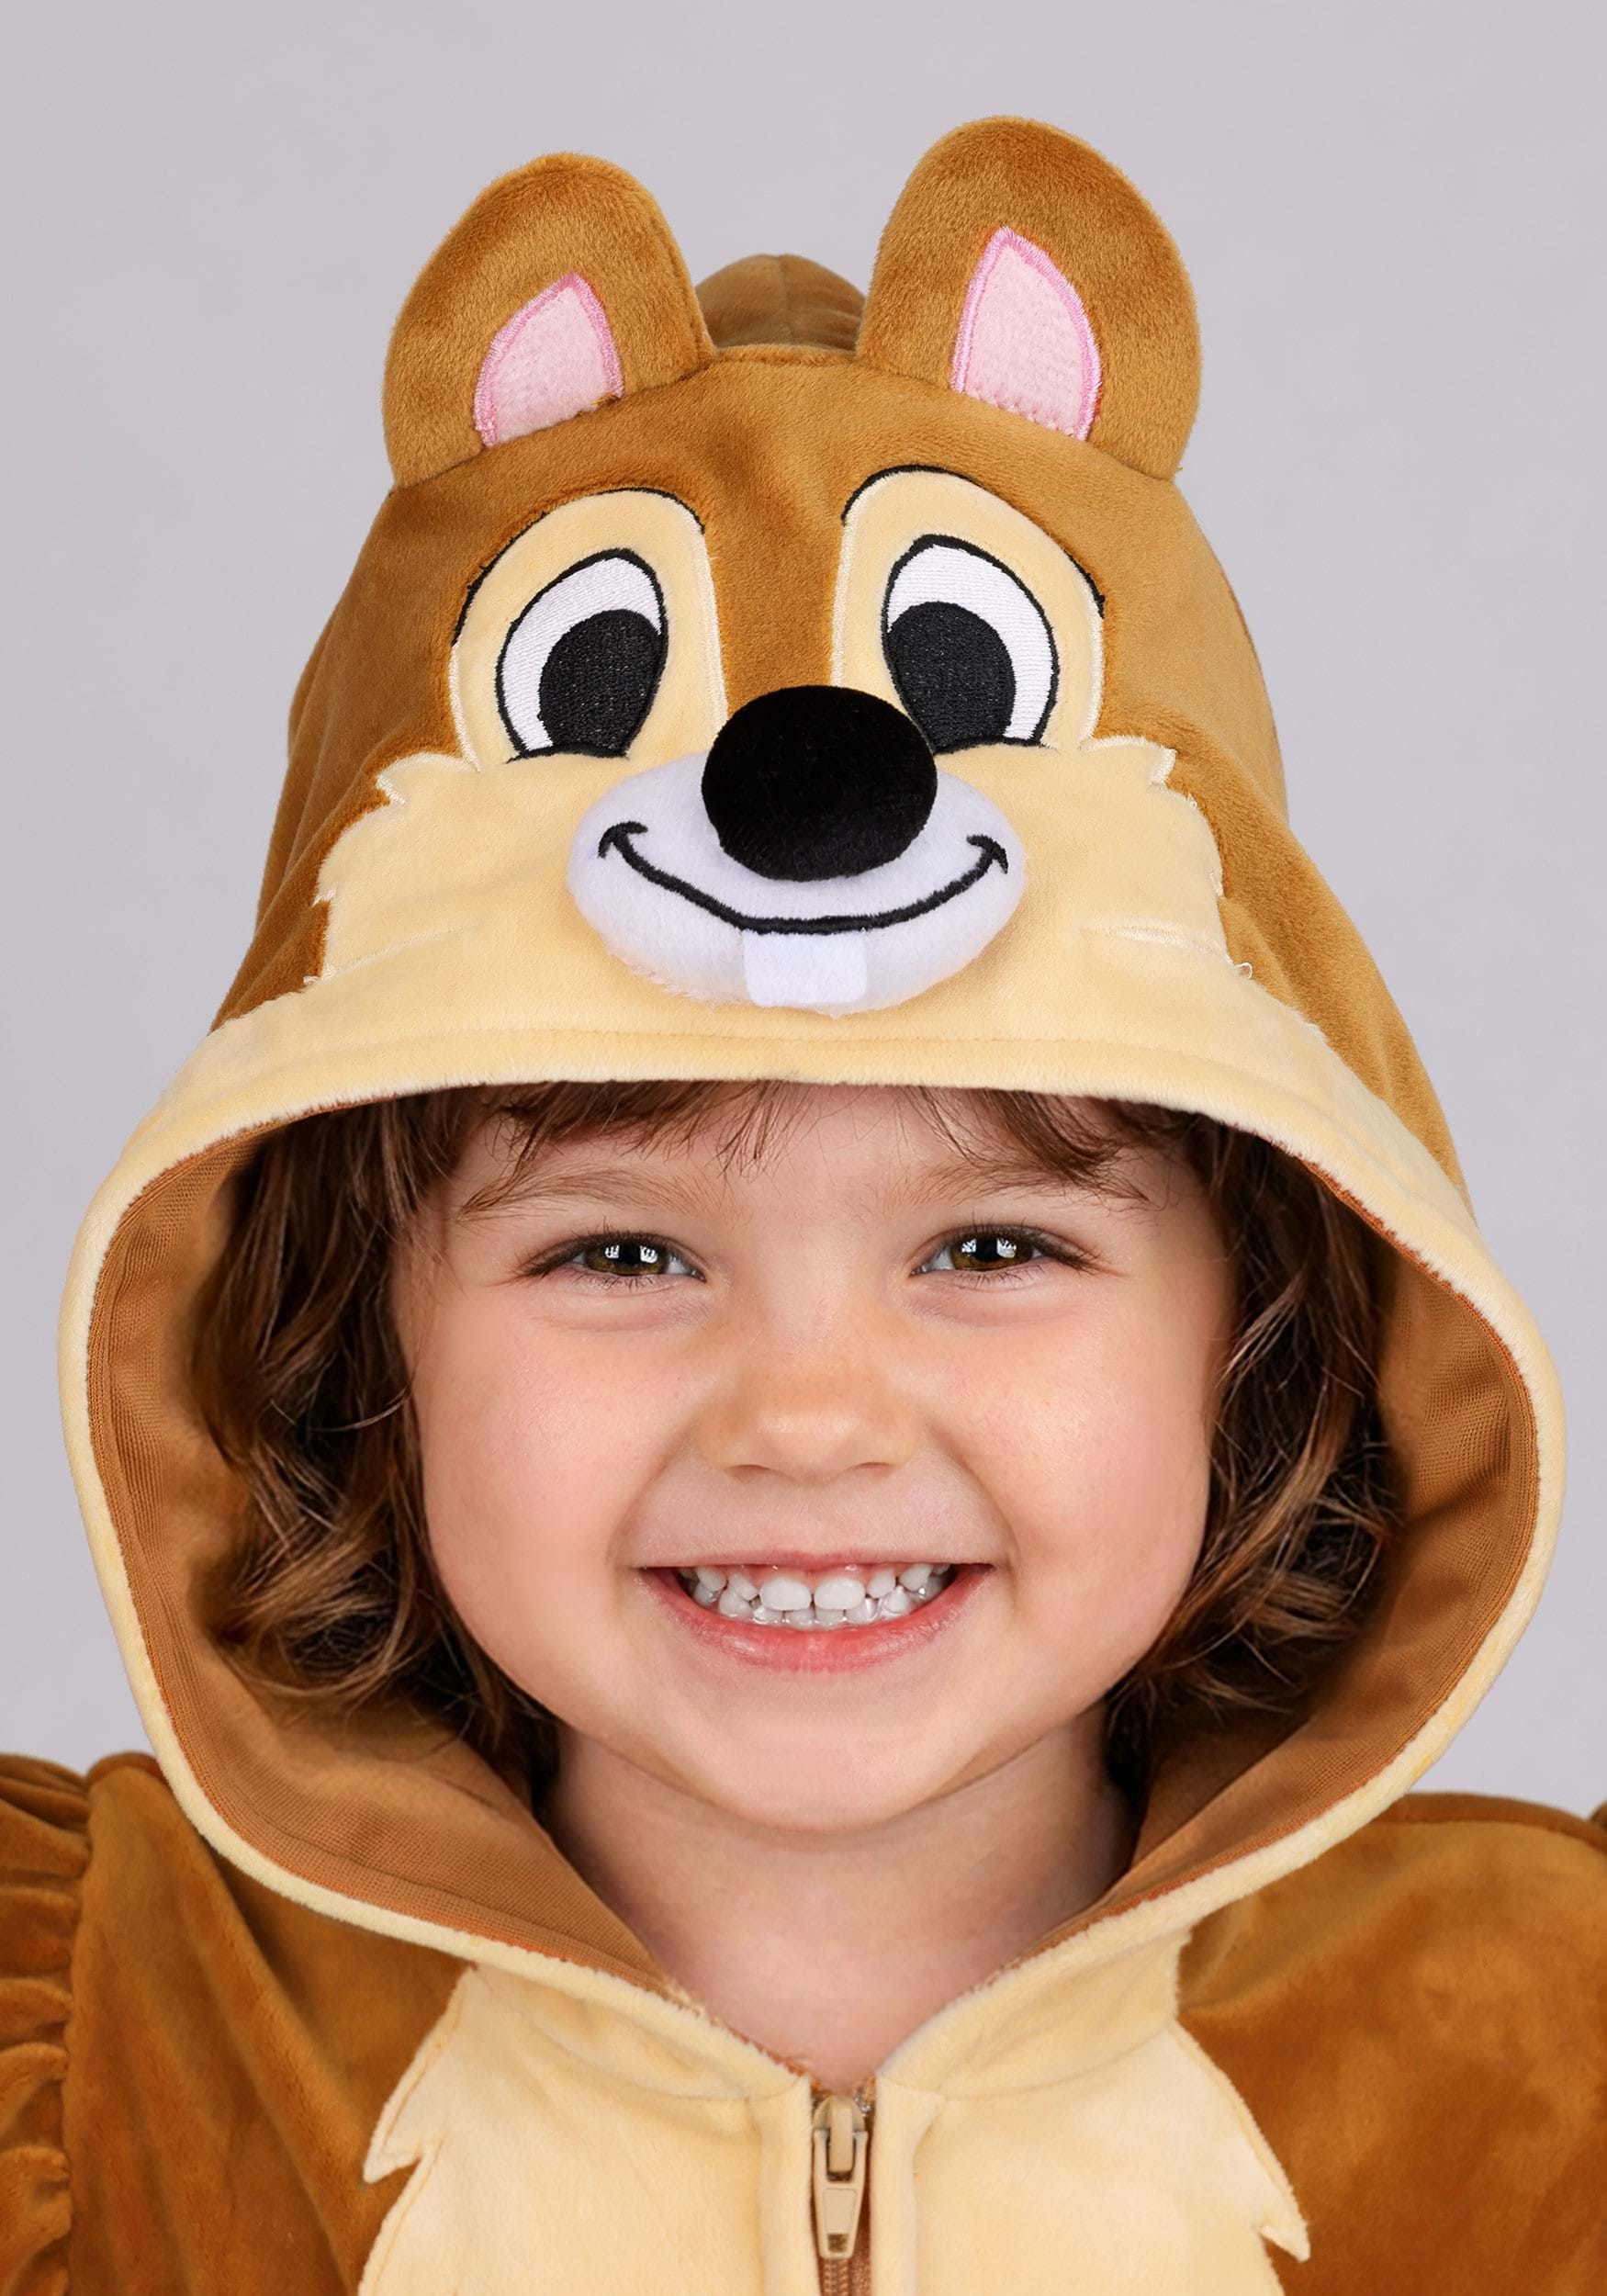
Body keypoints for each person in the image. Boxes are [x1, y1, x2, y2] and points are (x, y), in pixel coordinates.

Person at [4, 115, 1600, 2295]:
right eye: (618, 1250)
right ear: (351, 1328)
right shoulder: (109, 2050)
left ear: (1263, 1323)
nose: (808, 1415)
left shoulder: (1546, 2063)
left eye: (992, 1246)